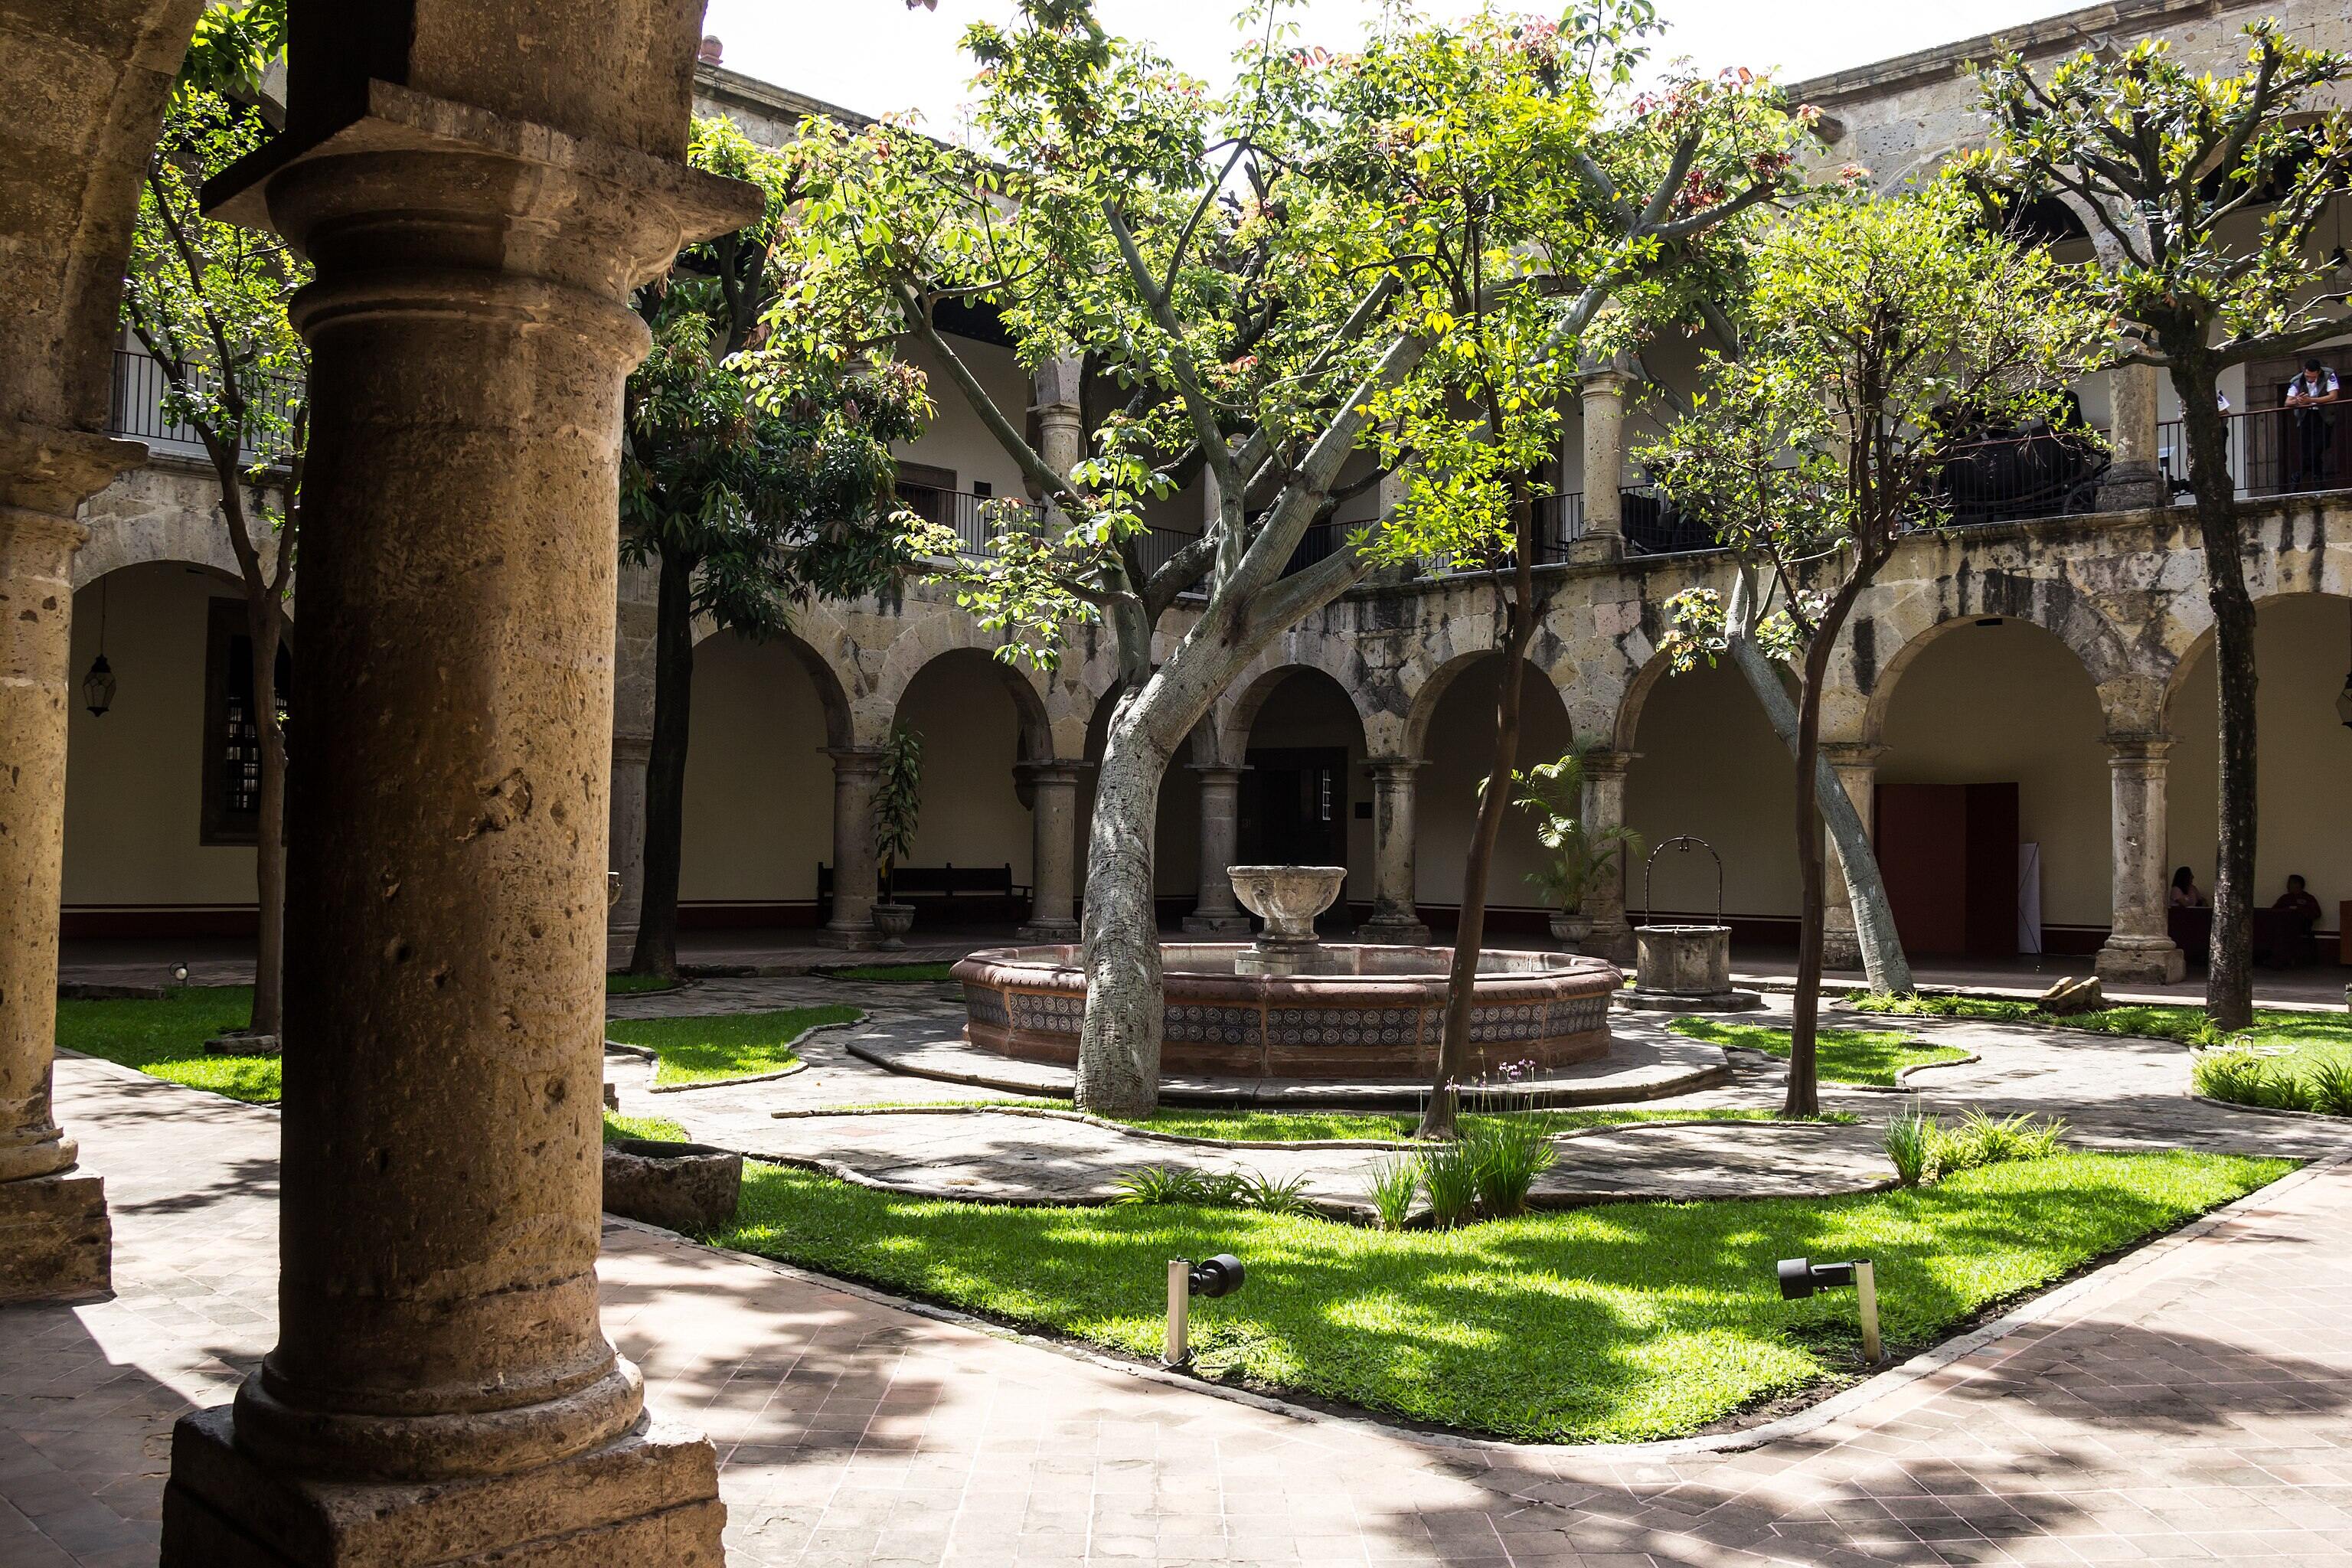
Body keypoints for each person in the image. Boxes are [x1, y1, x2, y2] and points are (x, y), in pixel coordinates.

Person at [2284, 358, 2340, 492]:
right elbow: (2287, 402)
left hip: (2323, 417)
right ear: (2304, 371)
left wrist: (2311, 400)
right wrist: (2298, 401)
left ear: (2319, 372)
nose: (2310, 379)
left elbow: (2333, 396)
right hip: (2306, 417)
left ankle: (2298, 475)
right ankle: (2318, 479)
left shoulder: (2329, 375)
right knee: (2308, 451)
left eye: (2313, 377)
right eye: (2308, 376)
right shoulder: (2297, 381)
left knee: (2319, 447)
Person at [2272, 874, 2324, 967]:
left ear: (2298, 884)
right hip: (2283, 926)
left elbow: (2317, 913)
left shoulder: (2308, 898)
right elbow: (2274, 910)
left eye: (2291, 883)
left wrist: (2300, 911)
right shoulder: (2285, 898)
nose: (2288, 886)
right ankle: (2279, 960)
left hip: (2302, 926)